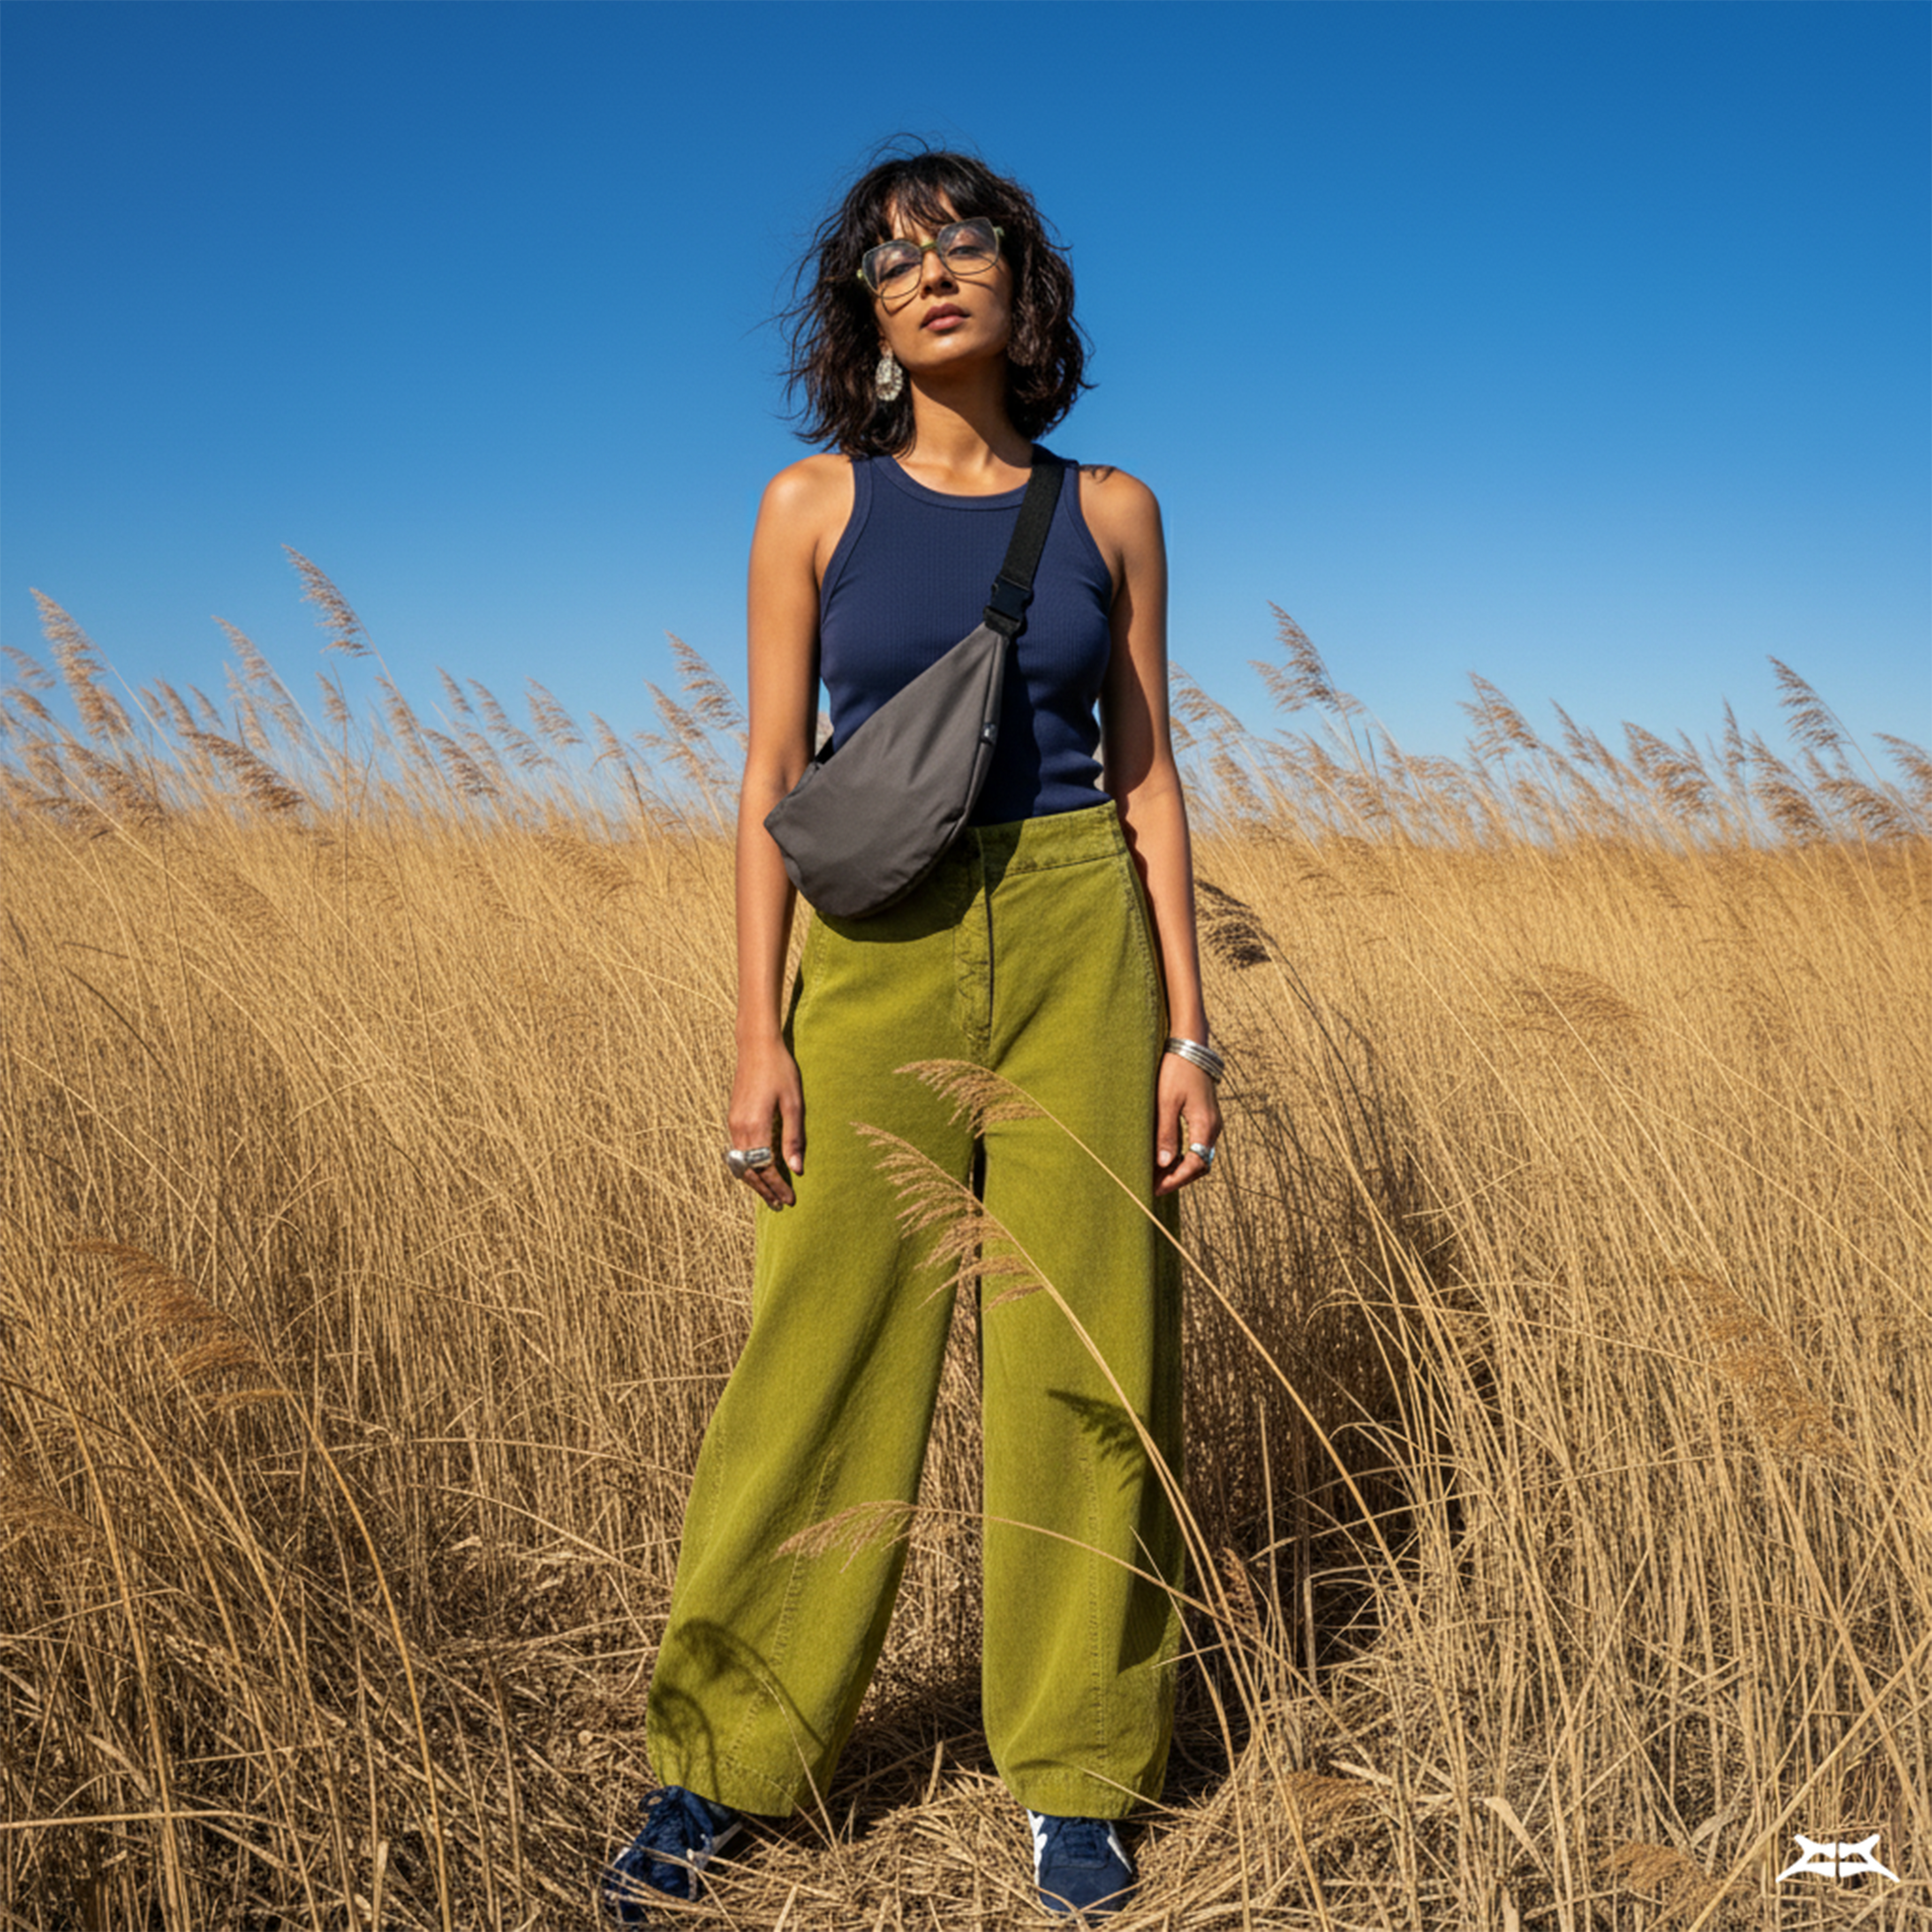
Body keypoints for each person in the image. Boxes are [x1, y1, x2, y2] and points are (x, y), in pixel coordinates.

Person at [603, 146, 1223, 1923]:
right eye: (894, 256)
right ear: (863, 315)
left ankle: (1082, 1773)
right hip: (872, 952)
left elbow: (1152, 774)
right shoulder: (811, 504)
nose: (932, 270)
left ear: (1025, 290)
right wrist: (757, 1030)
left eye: (966, 244)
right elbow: (767, 784)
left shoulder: (1112, 509)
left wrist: (1192, 1033)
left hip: (1075, 938)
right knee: (822, 1347)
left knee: (1085, 1357)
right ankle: (721, 1763)